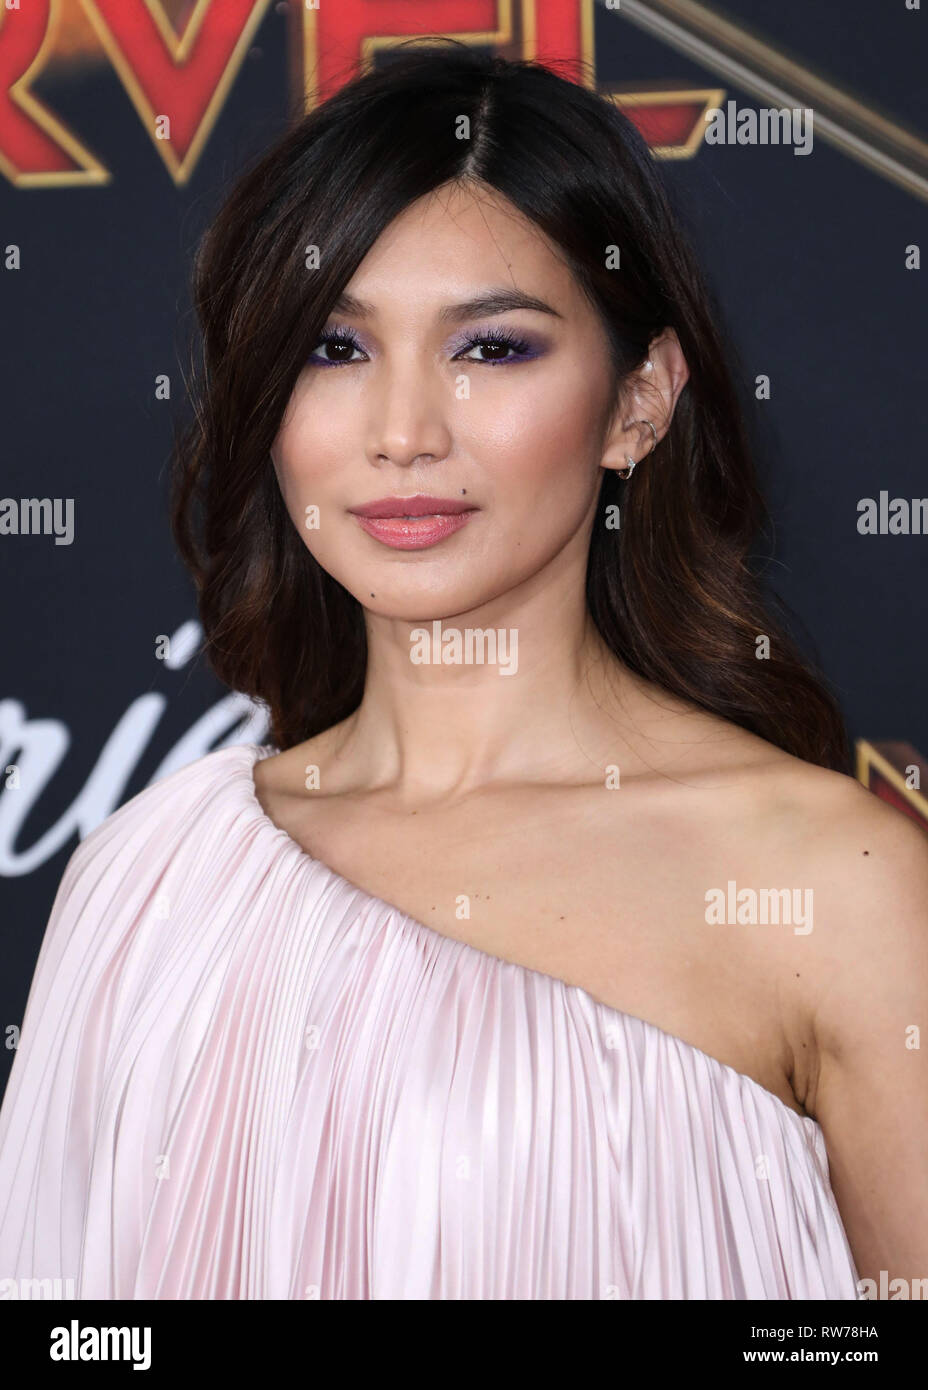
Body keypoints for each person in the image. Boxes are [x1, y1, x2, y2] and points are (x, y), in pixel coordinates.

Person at [1, 41, 926, 1301]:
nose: (401, 434)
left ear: (638, 401)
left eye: (491, 349)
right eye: (333, 349)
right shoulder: (147, 875)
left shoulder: (838, 887)